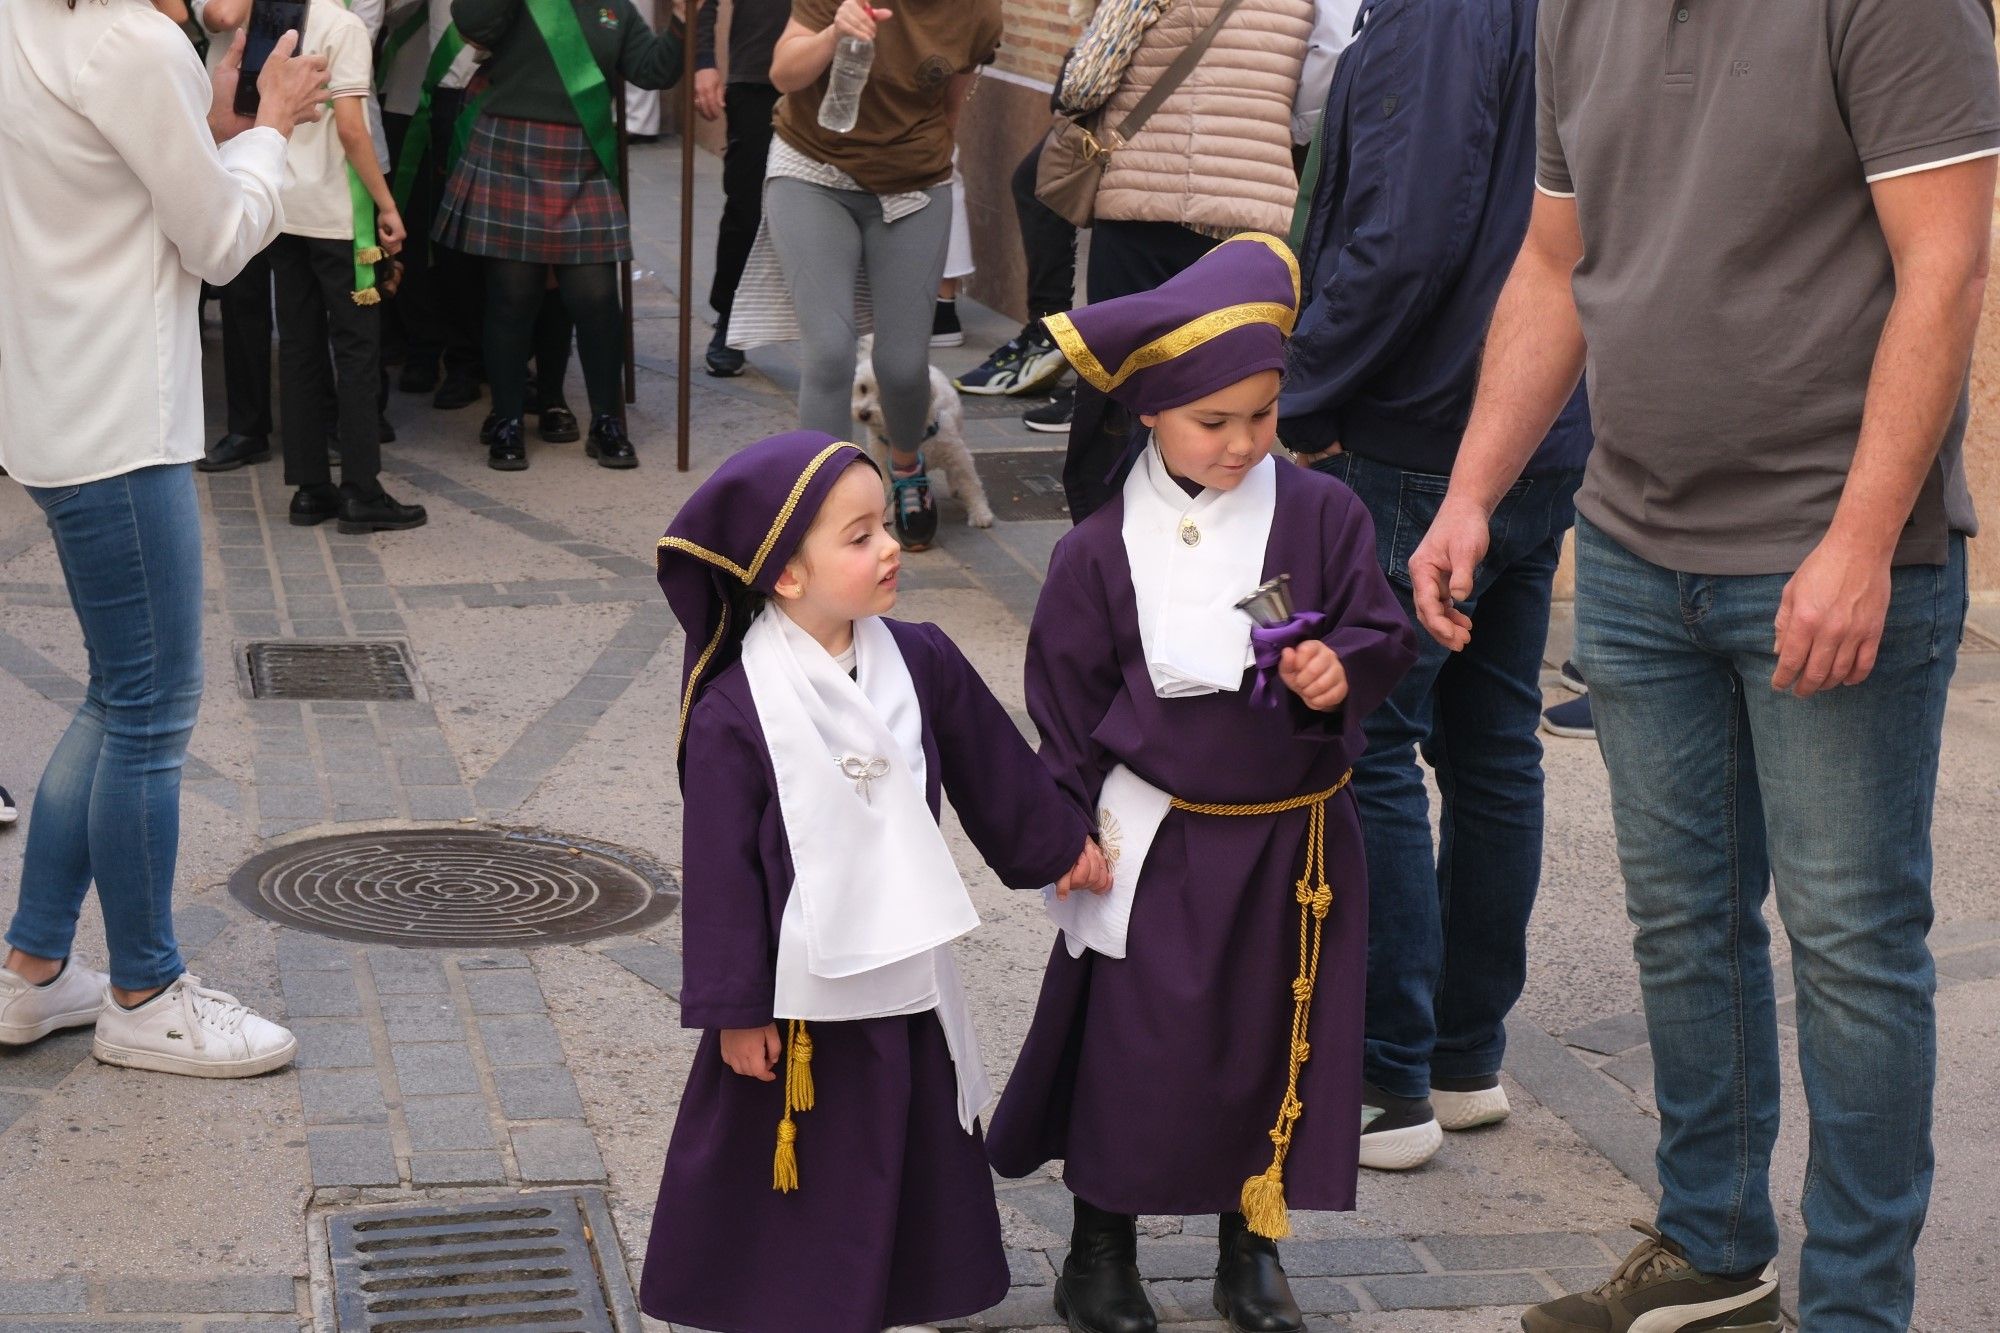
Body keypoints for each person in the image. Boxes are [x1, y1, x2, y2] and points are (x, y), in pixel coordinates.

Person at [1403, 1, 1999, 1328]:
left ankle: (1854, 1303)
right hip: (1629, 549)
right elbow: (1557, 263)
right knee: (1683, 931)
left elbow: (1946, 267)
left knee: (1850, 949)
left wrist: (1860, 539)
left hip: (1831, 560)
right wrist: (1472, 495)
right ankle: (1715, 1250)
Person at [986, 235, 1418, 1333]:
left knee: (1276, 1039)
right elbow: (1065, 706)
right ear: (1149, 415)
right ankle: (1098, 1251)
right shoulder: (1095, 552)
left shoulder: (1323, 518)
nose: (1239, 445)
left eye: (1261, 418)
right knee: (1133, 1046)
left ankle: (1251, 1245)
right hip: (1154, 841)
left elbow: (1377, 632)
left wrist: (1340, 672)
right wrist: (1062, 833)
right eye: (1210, 422)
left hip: (1293, 845)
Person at [641, 431, 1108, 1333]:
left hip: (906, 968)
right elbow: (721, 870)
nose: (889, 545)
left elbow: (992, 766)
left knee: (907, 1131)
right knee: (793, 1151)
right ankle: (785, 1298)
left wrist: (1058, 843)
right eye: (858, 537)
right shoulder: (737, 707)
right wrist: (735, 1008)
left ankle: (900, 1297)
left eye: (884, 525)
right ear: (785, 574)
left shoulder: (921, 657)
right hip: (793, 992)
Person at [1278, 0, 1590, 1172]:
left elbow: (1398, 240)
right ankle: (1457, 1060)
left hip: (1420, 435)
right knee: (1489, 745)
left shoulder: (1442, 16)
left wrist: (1300, 393)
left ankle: (1391, 1077)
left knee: (1375, 748)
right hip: (1526, 424)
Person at [0, 0, 323, 1073]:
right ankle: (145, 988)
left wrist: (220, 129)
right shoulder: (133, 43)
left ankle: (33, 969)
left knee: (114, 696)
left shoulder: (26, 22)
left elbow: (116, 187)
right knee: (149, 709)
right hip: (119, 421)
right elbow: (223, 243)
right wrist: (273, 122)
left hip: (54, 403)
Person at [730, 0, 1001, 550]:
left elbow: (952, 105)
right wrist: (834, 33)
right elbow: (783, 72)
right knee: (830, 350)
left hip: (914, 183)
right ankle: (830, 507)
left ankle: (905, 468)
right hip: (812, 169)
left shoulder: (978, 12)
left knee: (903, 367)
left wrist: (921, 163)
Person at [1052, 0, 1312, 522]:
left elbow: (1084, 83)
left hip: (1152, 204)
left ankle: (1122, 535)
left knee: (1128, 395)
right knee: (1231, 393)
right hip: (1252, 221)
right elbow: (1311, 110)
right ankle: (1219, 539)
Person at [438, 0, 685, 470]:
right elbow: (472, 20)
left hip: (580, 158)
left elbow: (653, 71)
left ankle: (607, 423)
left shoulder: (614, 9)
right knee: (512, 294)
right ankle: (507, 419)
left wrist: (682, 24)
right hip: (510, 148)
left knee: (595, 297)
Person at [236, 0, 428, 532]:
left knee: (297, 346)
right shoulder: (343, 26)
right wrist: (387, 204)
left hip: (285, 207)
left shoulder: (272, 18)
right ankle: (362, 489)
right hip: (338, 219)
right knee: (357, 350)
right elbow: (352, 130)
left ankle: (309, 489)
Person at [690, 0, 787, 378]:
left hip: (833, 75)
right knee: (746, 208)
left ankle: (844, 336)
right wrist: (702, 60)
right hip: (757, 72)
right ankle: (730, 319)